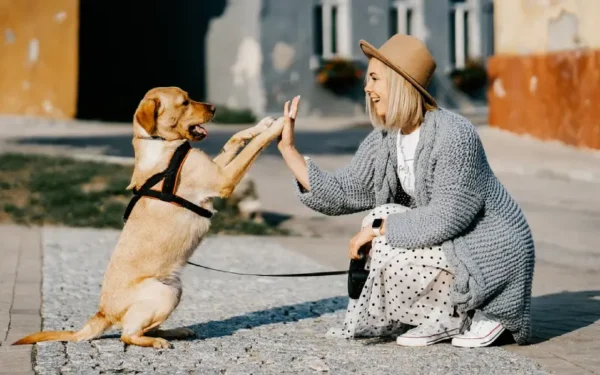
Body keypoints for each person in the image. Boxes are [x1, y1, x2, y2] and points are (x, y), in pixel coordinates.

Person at [277, 34, 535, 348]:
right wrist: (289, 151)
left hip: (489, 250)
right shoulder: (386, 139)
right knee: (380, 216)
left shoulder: (455, 134)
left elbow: (448, 217)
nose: (367, 88)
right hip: (450, 244)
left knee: (382, 224)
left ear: (400, 83)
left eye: (374, 79)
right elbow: (344, 191)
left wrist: (377, 231)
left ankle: (480, 312)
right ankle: (440, 316)